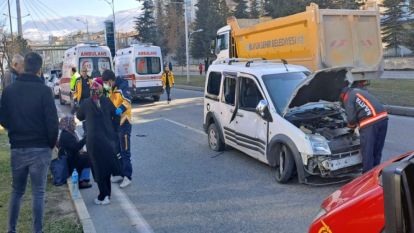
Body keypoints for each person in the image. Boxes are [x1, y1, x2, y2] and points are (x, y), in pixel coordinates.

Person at [0, 52, 59, 233]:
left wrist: (14, 131)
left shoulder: (9, 91)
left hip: (18, 147)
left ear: (24, 66)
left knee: (17, 191)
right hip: (40, 148)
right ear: (39, 69)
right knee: (38, 192)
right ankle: (37, 231)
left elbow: (3, 118)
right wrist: (50, 144)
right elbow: (52, 122)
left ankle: (11, 229)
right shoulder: (44, 91)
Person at [77, 78, 120, 205]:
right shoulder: (106, 101)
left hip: (93, 141)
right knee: (106, 166)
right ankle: (107, 195)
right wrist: (114, 129)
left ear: (91, 91)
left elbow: (79, 116)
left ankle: (103, 195)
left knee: (97, 169)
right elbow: (117, 114)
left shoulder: (86, 103)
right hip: (106, 139)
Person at [340, 86, 388, 173]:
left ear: (342, 95)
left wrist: (350, 127)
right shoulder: (358, 91)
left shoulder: (348, 97)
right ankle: (376, 174)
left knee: (367, 152)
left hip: (370, 122)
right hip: (383, 117)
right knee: (377, 150)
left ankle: (366, 178)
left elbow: (351, 119)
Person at [102, 70, 133, 188]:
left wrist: (119, 110)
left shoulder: (122, 86)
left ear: (110, 80)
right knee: (117, 150)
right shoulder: (111, 88)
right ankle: (120, 173)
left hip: (124, 122)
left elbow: (128, 100)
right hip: (115, 123)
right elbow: (108, 101)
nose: (106, 85)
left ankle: (127, 176)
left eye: (106, 82)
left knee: (125, 150)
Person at [58, 116, 92, 189]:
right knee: (87, 158)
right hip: (69, 160)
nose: (75, 124)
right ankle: (81, 181)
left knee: (86, 155)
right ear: (68, 123)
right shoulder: (66, 135)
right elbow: (76, 147)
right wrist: (85, 139)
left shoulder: (67, 132)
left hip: (69, 156)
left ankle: (83, 179)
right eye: (73, 122)